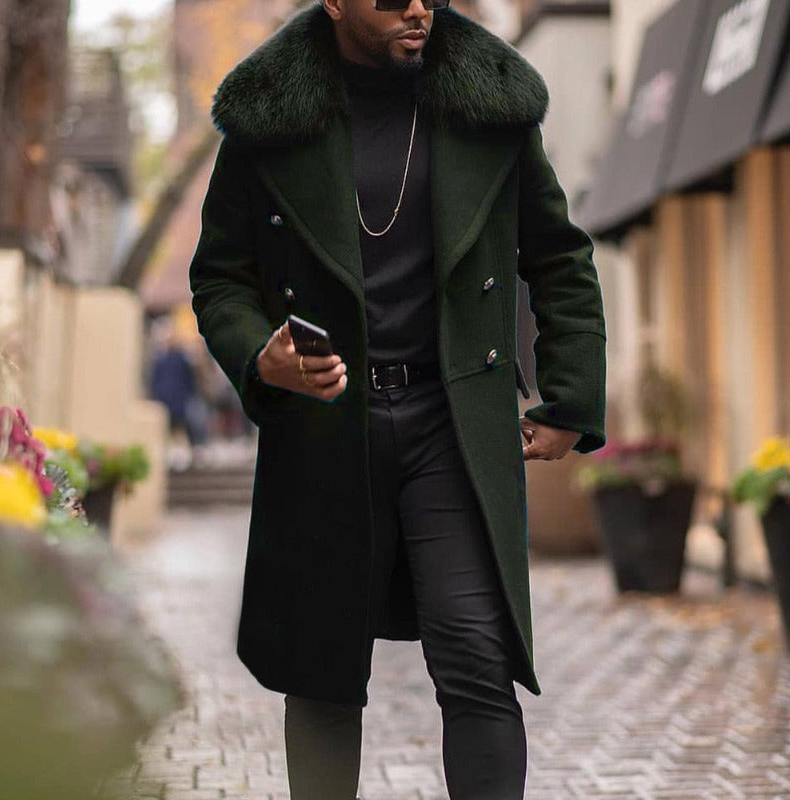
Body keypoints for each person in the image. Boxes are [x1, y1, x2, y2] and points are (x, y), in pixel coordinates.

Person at [189, 0, 606, 797]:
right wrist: (261, 356)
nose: (417, 8)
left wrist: (571, 398)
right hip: (326, 427)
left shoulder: (491, 105)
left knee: (478, 655)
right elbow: (220, 278)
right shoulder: (266, 118)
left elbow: (560, 258)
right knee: (321, 676)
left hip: (454, 423)